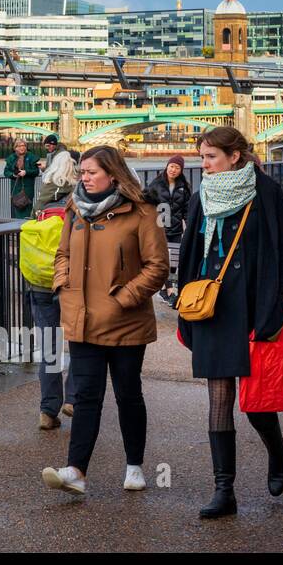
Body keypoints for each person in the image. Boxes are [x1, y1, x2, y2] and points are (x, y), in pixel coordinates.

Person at [178, 126, 283, 519]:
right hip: (213, 307)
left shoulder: (266, 192)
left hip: (254, 303)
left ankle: (277, 448)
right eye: (201, 158)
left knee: (256, 397)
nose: (204, 164)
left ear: (234, 156)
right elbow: (192, 253)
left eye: (210, 157)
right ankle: (223, 491)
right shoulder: (202, 196)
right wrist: (185, 303)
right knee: (219, 397)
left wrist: (279, 301)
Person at [42, 146, 168, 495]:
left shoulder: (142, 211)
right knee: (85, 398)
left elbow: (157, 266)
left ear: (113, 174)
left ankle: (134, 466)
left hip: (125, 321)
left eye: (91, 172)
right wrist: (62, 285)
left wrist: (124, 298)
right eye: (82, 172)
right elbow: (62, 253)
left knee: (129, 396)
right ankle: (76, 472)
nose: (84, 178)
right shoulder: (74, 209)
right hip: (83, 319)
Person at [23, 151, 77, 428]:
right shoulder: (80, 193)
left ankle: (47, 411)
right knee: (81, 343)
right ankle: (73, 400)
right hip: (70, 278)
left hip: (40, 278)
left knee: (49, 348)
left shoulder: (43, 190)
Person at [146, 154, 192, 298]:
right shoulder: (156, 184)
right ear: (167, 167)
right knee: (163, 259)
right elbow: (147, 204)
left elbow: (187, 209)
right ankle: (170, 289)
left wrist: (189, 225)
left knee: (174, 261)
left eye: (177, 167)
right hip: (160, 228)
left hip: (176, 229)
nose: (173, 170)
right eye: (171, 166)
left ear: (181, 170)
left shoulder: (183, 187)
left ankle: (165, 289)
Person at [32, 134, 70, 214]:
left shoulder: (63, 155)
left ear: (53, 144)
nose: (47, 148)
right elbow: (51, 169)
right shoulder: (51, 154)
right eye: (46, 146)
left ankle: (34, 219)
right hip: (53, 184)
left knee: (39, 205)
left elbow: (60, 171)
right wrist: (44, 169)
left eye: (48, 146)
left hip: (57, 185)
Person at [4, 139, 40, 219]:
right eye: (19, 146)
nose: (22, 148)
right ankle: (17, 229)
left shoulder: (31, 157)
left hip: (28, 189)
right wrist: (13, 174)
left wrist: (26, 172)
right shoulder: (11, 158)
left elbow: (36, 171)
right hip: (16, 188)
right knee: (17, 210)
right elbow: (6, 172)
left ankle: (25, 228)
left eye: (24, 146)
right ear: (15, 148)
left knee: (27, 210)